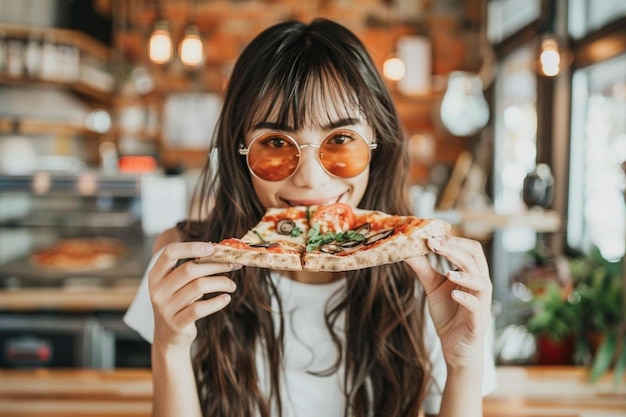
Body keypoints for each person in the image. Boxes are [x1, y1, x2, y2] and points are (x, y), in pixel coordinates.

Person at [124, 18, 497, 417]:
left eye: (340, 140)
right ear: (239, 152)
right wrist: (170, 347)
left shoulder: (433, 276)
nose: (310, 178)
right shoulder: (186, 265)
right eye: (274, 143)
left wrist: (464, 362)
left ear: (377, 145)